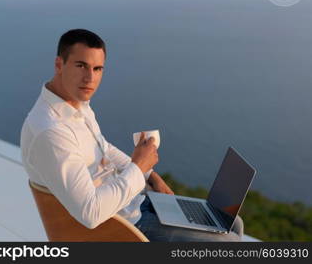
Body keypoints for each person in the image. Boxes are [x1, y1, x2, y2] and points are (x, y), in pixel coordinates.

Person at [20, 28, 243, 241]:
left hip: (132, 203)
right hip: (121, 227)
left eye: (98, 69)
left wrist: (150, 175)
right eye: (81, 66)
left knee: (232, 222)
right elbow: (91, 213)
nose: (90, 78)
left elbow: (103, 147)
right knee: (230, 241)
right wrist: (138, 167)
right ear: (59, 64)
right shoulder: (52, 132)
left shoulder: (76, 105)